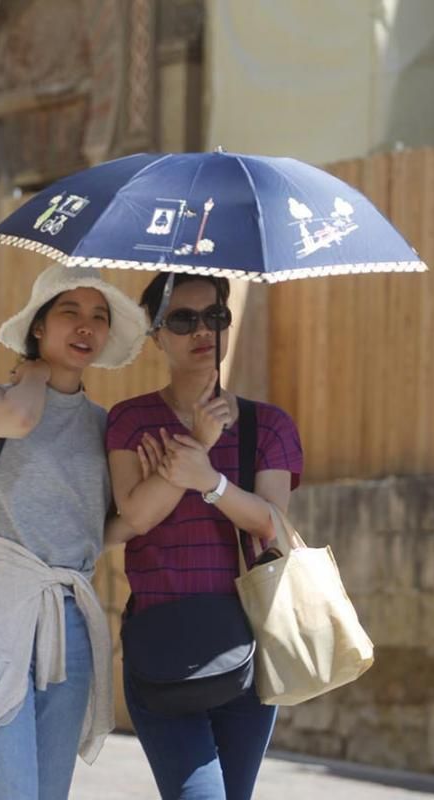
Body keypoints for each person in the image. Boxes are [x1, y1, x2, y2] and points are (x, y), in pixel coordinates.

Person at [105, 273, 304, 800]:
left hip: (246, 643)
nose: (203, 332)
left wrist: (209, 481)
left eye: (215, 316)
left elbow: (272, 527)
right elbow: (137, 516)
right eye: (183, 319)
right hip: (160, 642)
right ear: (156, 333)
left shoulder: (268, 426)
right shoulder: (131, 421)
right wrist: (198, 442)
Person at [0, 265, 146, 800]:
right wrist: (34, 375)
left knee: (49, 792)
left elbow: (110, 524)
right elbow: (18, 423)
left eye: (99, 317)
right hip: (1, 613)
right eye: (70, 312)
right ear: (37, 326)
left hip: (73, 619)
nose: (86, 326)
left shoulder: (107, 427)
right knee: (12, 788)